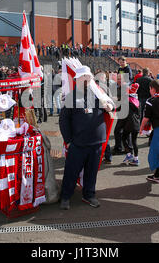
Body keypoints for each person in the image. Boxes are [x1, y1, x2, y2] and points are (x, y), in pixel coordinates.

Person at [59, 65, 114, 210]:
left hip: (97, 142)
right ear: (77, 79)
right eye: (84, 77)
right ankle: (65, 196)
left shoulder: (99, 93)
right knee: (71, 171)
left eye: (88, 77)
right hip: (78, 143)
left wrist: (110, 106)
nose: (87, 80)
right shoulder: (71, 96)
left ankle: (89, 195)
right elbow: (63, 120)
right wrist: (68, 140)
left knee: (91, 172)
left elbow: (112, 104)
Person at [121, 83, 140, 166]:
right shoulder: (137, 101)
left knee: (124, 138)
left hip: (128, 123)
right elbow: (139, 114)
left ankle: (129, 154)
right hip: (136, 123)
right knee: (134, 141)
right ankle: (136, 159)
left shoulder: (126, 100)